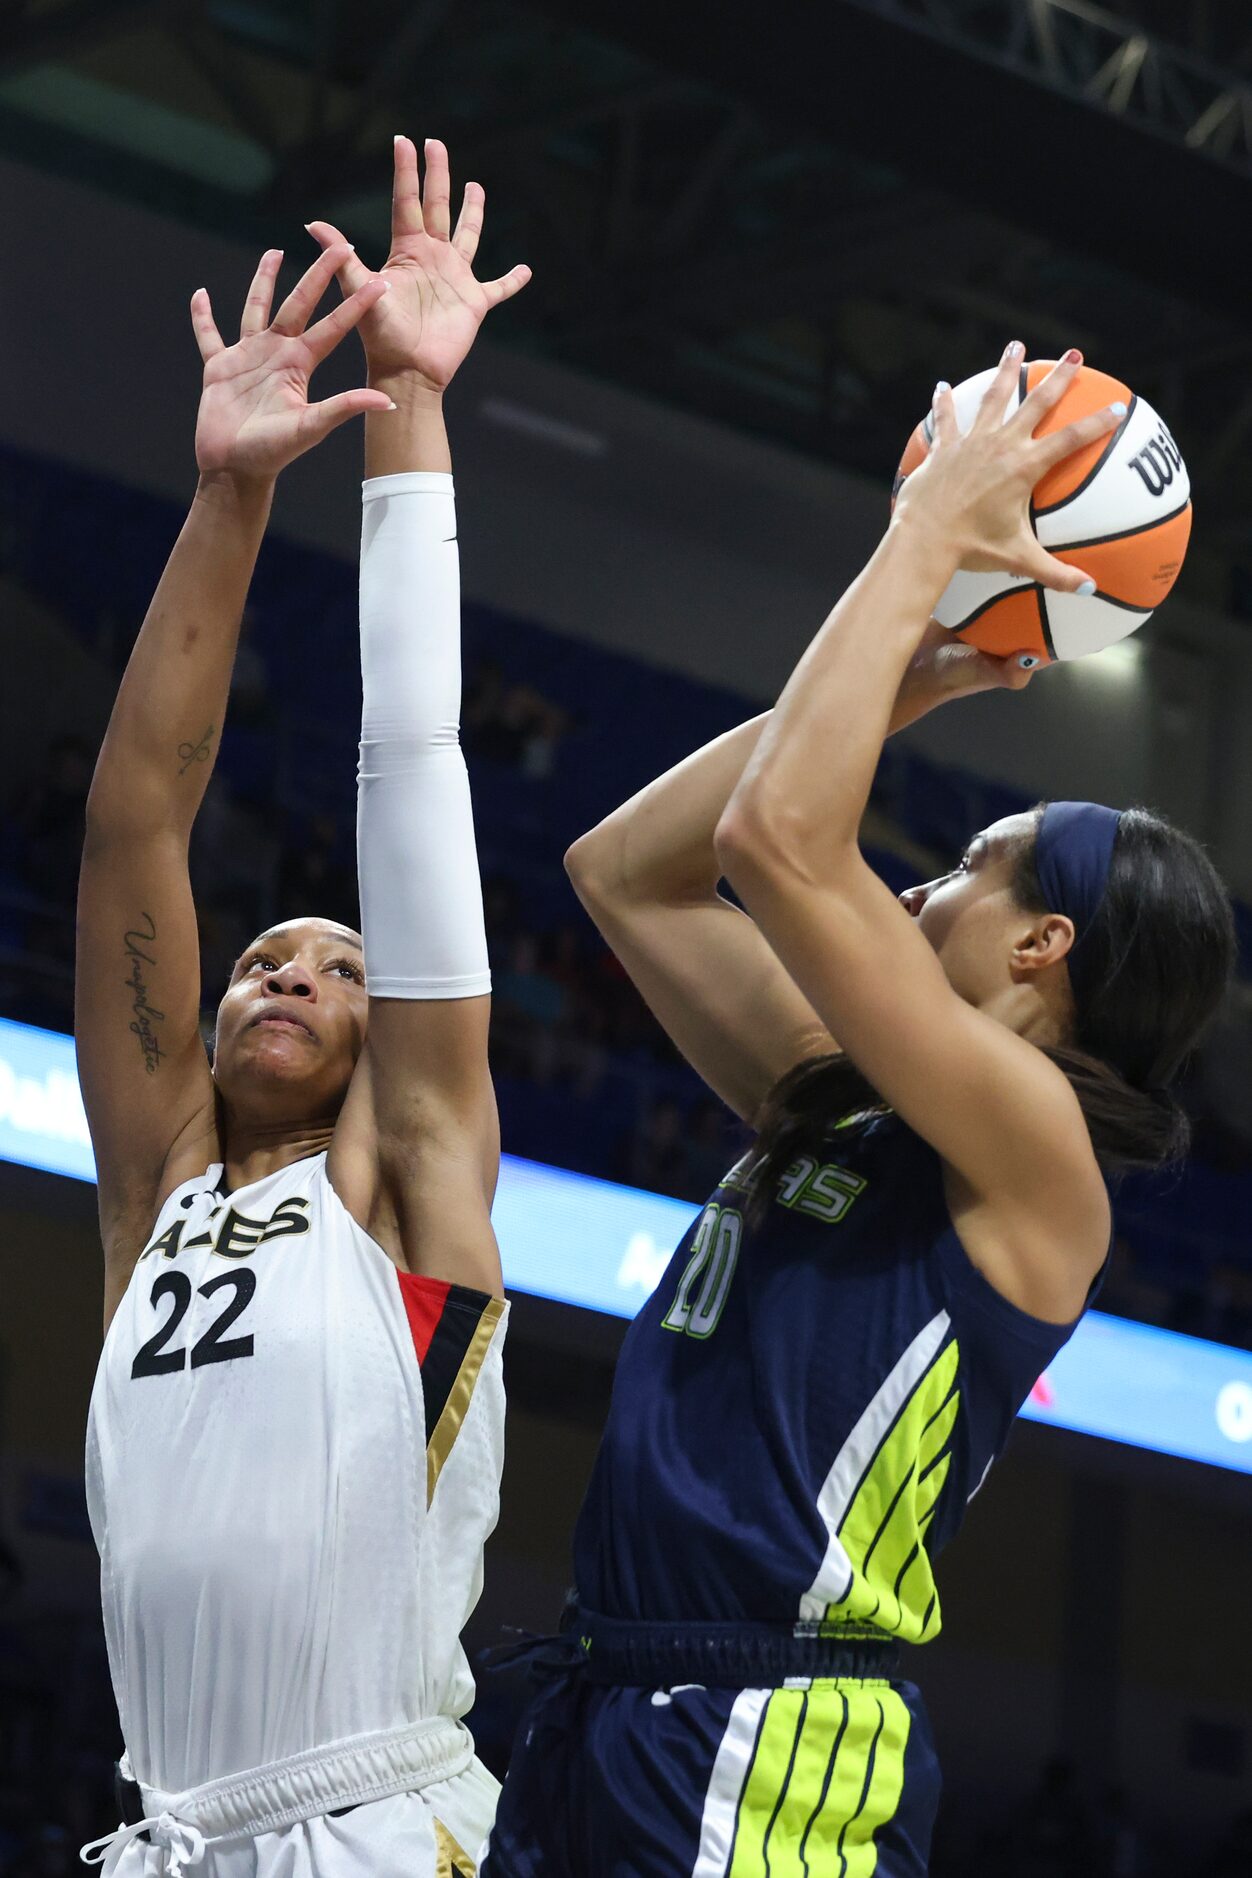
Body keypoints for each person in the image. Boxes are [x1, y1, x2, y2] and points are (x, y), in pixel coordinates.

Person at [480, 346, 1236, 1875]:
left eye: (971, 864)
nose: (922, 878)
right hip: (620, 1703)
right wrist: (913, 671)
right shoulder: (843, 1099)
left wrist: (925, 542)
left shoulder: (1043, 1159)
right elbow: (625, 871)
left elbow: (779, 838)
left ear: (1046, 948)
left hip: (767, 1743)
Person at [77, 138, 529, 1874]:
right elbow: (137, 815)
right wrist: (229, 495)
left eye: (348, 970)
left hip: (370, 1824)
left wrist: (405, 403)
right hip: (168, 1832)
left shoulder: (407, 1183)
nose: (296, 972)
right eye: (269, 954)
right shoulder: (155, 1197)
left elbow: (409, 762)